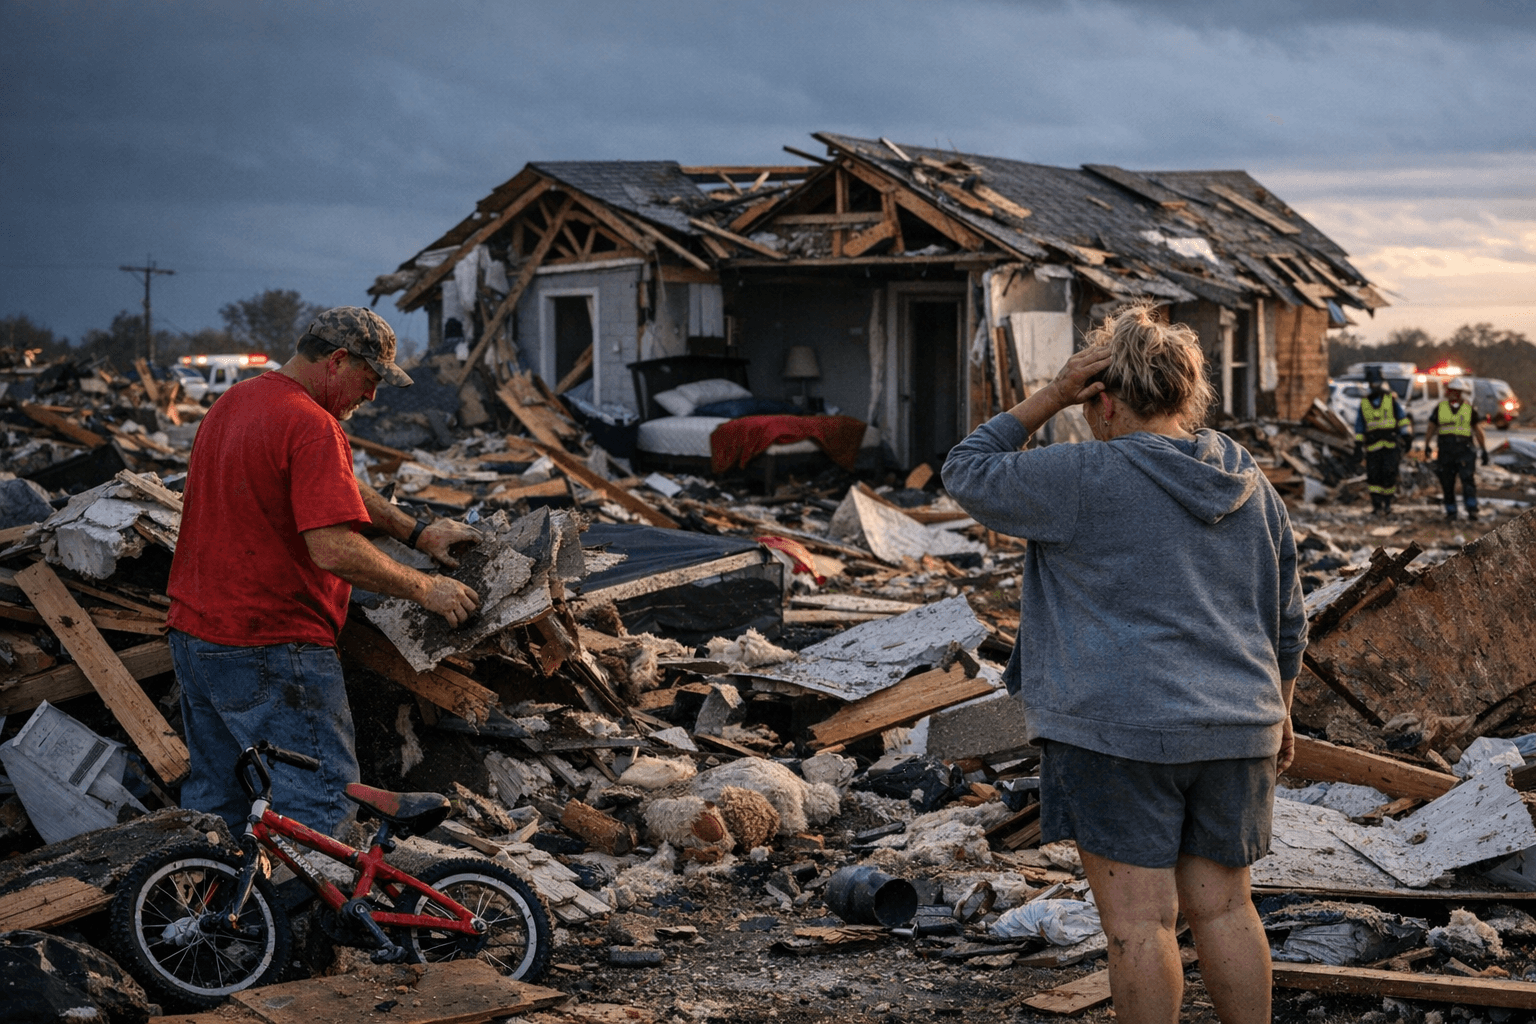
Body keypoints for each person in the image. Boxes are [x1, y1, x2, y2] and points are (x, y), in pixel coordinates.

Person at [942, 305, 1306, 1024]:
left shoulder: (1078, 474)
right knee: (1228, 910)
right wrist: (1281, 710)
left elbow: (967, 469)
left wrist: (1049, 395)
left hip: (1117, 733)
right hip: (1239, 727)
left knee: (1140, 926)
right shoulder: (1247, 479)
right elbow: (1287, 617)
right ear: (1185, 395)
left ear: (1101, 399)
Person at [167, 307, 483, 836]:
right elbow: (333, 549)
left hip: (196, 636)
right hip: (271, 643)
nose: (372, 395)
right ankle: (306, 918)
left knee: (218, 803)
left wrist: (416, 533)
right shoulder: (313, 425)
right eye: (370, 378)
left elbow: (337, 489)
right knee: (318, 803)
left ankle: (210, 914)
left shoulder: (236, 403)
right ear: (338, 361)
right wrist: (426, 588)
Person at [1424, 378, 1490, 522]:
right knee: (1449, 482)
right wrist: (1427, 444)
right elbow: (1431, 427)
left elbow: (1478, 430)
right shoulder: (1443, 408)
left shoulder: (1467, 409)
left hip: (1462, 450)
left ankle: (1470, 510)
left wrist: (1484, 449)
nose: (1452, 394)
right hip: (1450, 450)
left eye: (1454, 392)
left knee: (1465, 481)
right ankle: (1453, 511)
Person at [1353, 366, 1413, 517]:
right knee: (1374, 477)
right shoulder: (1365, 404)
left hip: (1390, 445)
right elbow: (1359, 426)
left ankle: (1387, 504)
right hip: (1373, 447)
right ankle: (1376, 505)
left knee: (1389, 475)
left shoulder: (1391, 401)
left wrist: (1407, 436)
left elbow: (1402, 419)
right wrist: (1358, 446)